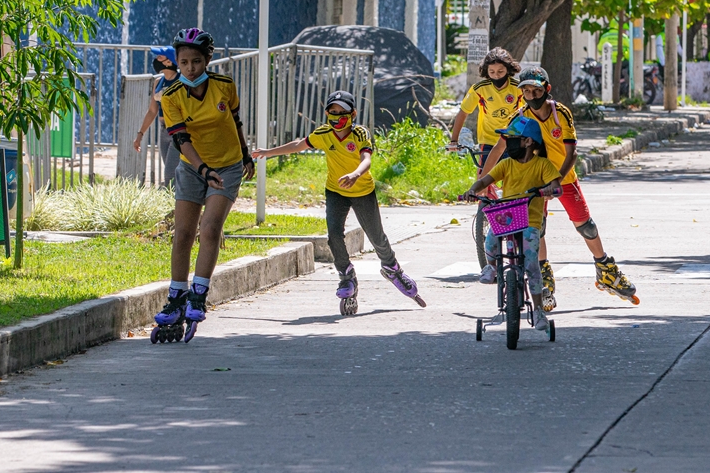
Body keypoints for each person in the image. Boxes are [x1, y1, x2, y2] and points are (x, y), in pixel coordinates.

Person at [251, 90, 426, 315]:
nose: (336, 117)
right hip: (336, 191)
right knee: (334, 235)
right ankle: (346, 276)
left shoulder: (359, 133)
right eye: (332, 112)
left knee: (376, 236)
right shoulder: (324, 133)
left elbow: (367, 159)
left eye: (341, 113)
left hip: (362, 190)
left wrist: (355, 174)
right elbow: (299, 144)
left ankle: (392, 268)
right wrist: (268, 152)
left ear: (352, 114)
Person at [482, 66, 638, 306]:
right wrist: (483, 179)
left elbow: (571, 153)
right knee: (537, 228)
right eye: (527, 92)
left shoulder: (560, 114)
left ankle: (605, 268)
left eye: (537, 90)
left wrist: (557, 179)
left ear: (547, 89)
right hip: (534, 182)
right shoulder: (521, 116)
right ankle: (544, 278)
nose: (533, 96)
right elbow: (499, 148)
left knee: (585, 225)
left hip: (563, 178)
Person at [152, 28, 255, 342]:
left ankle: (199, 293)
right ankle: (176, 295)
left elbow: (235, 121)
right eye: (184, 62)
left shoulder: (224, 86)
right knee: (182, 232)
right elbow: (180, 139)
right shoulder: (170, 96)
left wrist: (246, 153)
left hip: (228, 164)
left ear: (208, 60)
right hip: (192, 166)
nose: (190, 68)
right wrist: (202, 168)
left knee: (209, 228)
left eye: (196, 61)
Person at [463, 116, 562, 331]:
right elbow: (485, 180)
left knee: (531, 265)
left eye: (511, 138)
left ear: (528, 142)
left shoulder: (542, 165)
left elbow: (557, 186)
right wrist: (473, 190)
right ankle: (491, 267)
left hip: (530, 221)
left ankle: (538, 311)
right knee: (490, 240)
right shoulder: (506, 164)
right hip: (508, 216)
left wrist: (549, 190)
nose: (508, 142)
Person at [447, 48, 522, 168]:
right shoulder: (480, 88)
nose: (496, 76)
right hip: (488, 140)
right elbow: (463, 113)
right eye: (492, 72)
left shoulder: (519, 88)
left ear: (508, 70)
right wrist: (454, 141)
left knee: (512, 181)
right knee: (483, 180)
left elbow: (529, 114)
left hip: (512, 139)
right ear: (486, 71)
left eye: (500, 72)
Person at [133, 46, 180, 188]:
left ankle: (174, 205)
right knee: (172, 170)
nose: (156, 60)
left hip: (177, 130)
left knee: (170, 173)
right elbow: (152, 111)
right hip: (163, 130)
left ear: (168, 62)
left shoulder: (181, 81)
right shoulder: (158, 82)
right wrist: (140, 135)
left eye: (160, 57)